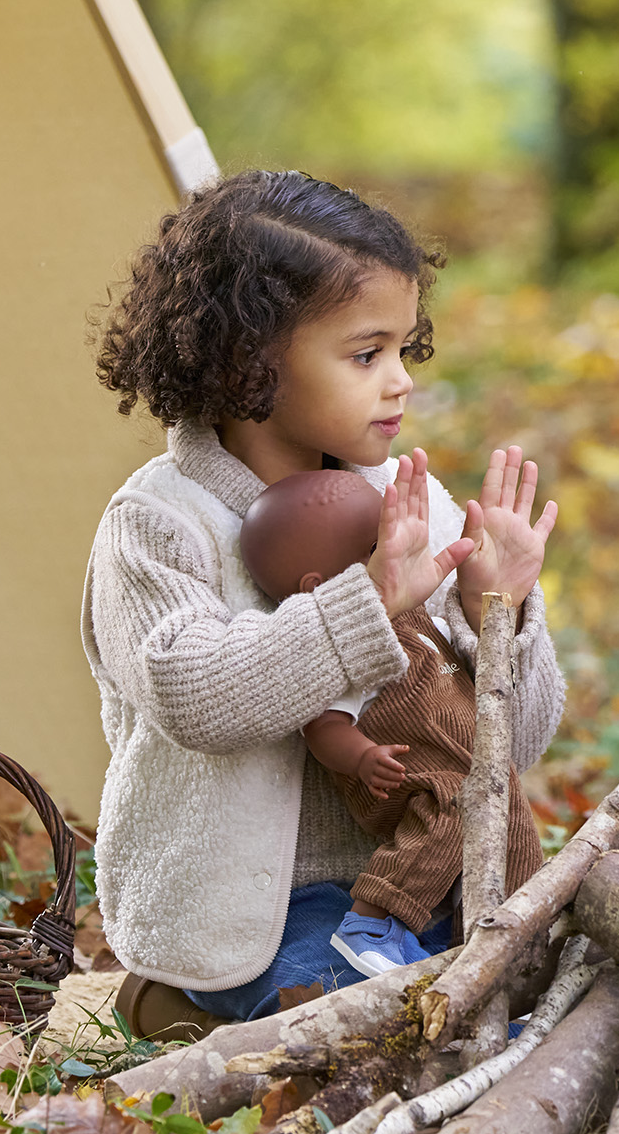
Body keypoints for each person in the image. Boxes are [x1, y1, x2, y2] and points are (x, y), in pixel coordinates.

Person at [82, 171, 564, 1025]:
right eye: (365, 354)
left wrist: (499, 611)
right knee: (381, 1020)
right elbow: (198, 697)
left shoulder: (412, 504)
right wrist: (367, 603)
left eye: (404, 351)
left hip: (427, 887)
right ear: (248, 364)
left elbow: (508, 746)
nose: (402, 381)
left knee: (554, 987)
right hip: (264, 919)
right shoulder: (159, 524)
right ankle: (171, 998)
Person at [236, 469, 546, 976]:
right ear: (327, 587)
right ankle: (372, 920)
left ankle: (511, 945)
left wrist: (488, 608)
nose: (404, 547)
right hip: (406, 780)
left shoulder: (426, 623)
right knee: (458, 802)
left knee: (511, 832)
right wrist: (360, 756)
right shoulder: (352, 646)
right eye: (378, 545)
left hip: (476, 770)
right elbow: (324, 725)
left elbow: (491, 688)